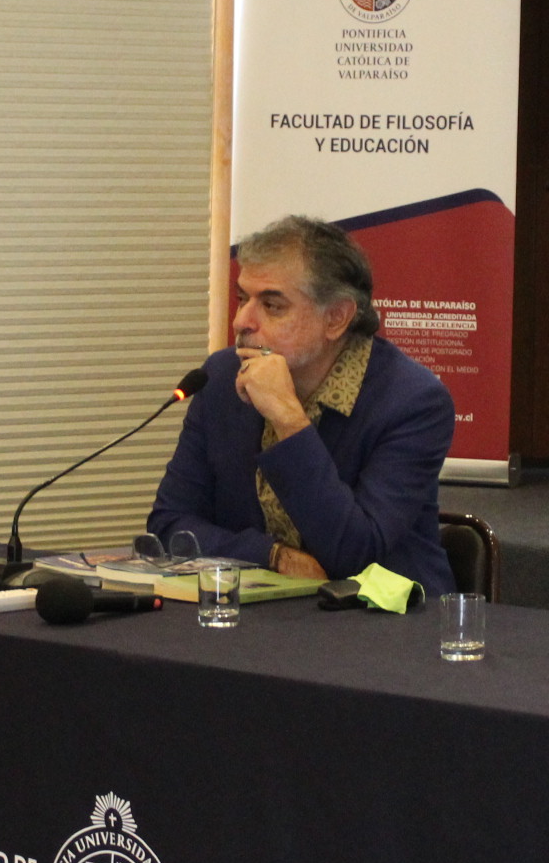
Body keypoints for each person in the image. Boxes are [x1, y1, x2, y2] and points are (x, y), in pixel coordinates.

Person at [149, 214, 456, 595]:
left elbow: (355, 554)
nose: (242, 321)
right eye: (243, 298)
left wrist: (288, 420)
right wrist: (272, 556)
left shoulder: (412, 402)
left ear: (336, 318)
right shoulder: (221, 377)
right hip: (263, 614)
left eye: (272, 306)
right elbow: (169, 524)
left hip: (383, 619)